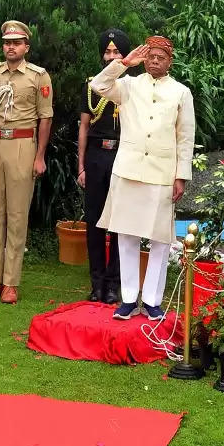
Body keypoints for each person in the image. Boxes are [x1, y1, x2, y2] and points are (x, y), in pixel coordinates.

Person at [90, 35, 195, 321]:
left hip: (162, 173)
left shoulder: (181, 92)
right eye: (150, 56)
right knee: (126, 235)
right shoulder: (129, 84)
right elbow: (97, 86)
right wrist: (123, 64)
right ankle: (127, 298)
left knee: (160, 240)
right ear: (144, 58)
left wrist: (181, 176)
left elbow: (185, 138)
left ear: (170, 61)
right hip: (129, 169)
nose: (155, 60)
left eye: (161, 56)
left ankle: (152, 300)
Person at [0, 20, 53, 306]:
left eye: (16, 42)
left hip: (22, 144)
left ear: (26, 47)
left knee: (17, 217)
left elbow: (45, 118)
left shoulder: (38, 76)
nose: (11, 46)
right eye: (7, 42)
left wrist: (40, 155)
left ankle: (11, 284)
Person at [78, 28, 130, 303]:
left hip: (123, 156)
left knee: (120, 222)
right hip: (97, 156)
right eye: (107, 52)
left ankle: (113, 284)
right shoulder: (91, 84)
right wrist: (81, 166)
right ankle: (96, 283)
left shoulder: (133, 85)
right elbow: (84, 127)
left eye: (117, 52)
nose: (111, 57)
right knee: (95, 221)